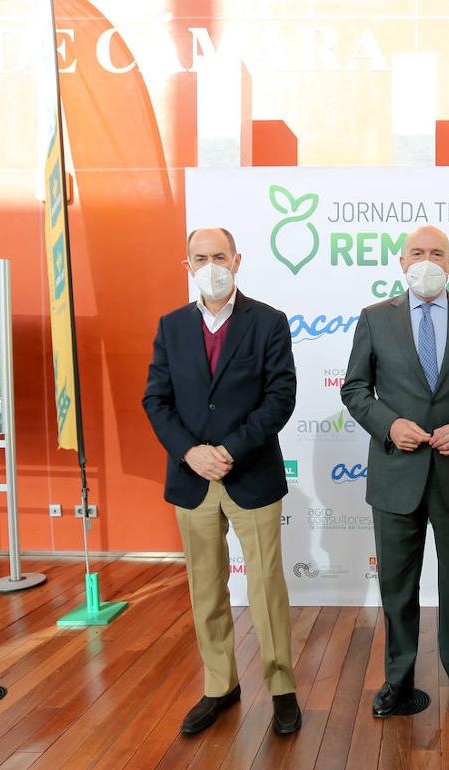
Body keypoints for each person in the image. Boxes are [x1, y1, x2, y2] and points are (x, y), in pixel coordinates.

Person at [341, 225, 449, 721]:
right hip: (396, 475)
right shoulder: (375, 319)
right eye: (417, 252)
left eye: (437, 253)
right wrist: (388, 424)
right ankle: (398, 679)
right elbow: (355, 389)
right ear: (401, 263)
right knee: (397, 585)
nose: (427, 260)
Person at [142, 227, 301, 736]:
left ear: (238, 260)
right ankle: (220, 686)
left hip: (249, 474)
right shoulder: (171, 327)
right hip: (192, 480)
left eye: (219, 256)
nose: (211, 265)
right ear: (186, 264)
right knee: (206, 589)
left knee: (265, 587)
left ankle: (281, 688)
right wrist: (191, 452)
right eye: (200, 257)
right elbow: (156, 400)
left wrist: (229, 450)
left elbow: (280, 397)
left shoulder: (268, 322)